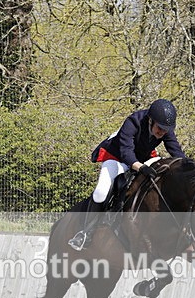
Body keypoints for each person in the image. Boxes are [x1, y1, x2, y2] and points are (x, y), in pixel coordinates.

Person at [68, 98, 186, 251]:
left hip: (143, 158)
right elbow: (126, 152)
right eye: (160, 128)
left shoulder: (165, 130)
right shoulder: (133, 122)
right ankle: (85, 232)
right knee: (100, 192)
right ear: (150, 120)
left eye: (165, 130)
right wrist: (141, 168)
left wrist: (189, 169)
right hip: (117, 157)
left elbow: (175, 150)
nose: (162, 133)